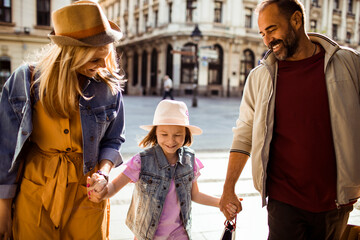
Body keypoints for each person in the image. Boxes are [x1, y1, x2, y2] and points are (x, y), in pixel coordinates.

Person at [220, 0, 360, 239]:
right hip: (283, 201)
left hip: (336, 202)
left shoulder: (349, 63)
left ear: (296, 20)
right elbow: (244, 132)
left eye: (272, 30)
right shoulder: (260, 77)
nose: (267, 40)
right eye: (262, 33)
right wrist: (228, 188)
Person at [0, 1, 126, 239]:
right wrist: (3, 209)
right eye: (94, 60)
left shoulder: (108, 86)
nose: (102, 67)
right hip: (34, 190)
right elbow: (5, 148)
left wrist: (104, 173)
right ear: (70, 54)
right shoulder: (26, 81)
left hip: (87, 193)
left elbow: (114, 139)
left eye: (105, 57)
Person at [87, 100, 238, 239]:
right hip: (148, 235)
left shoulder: (189, 160)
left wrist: (221, 203)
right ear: (155, 133)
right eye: (164, 134)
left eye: (177, 135)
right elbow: (113, 186)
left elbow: (195, 194)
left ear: (185, 134)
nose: (171, 140)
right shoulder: (141, 162)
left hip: (180, 234)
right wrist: (101, 191)